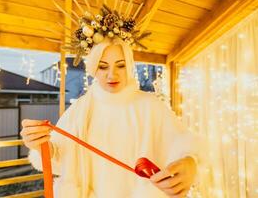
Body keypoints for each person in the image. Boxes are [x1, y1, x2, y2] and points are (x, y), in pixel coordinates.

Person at [21, 37, 203, 198]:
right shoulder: (79, 109)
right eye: (103, 66)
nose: (112, 74)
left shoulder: (151, 105)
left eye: (121, 65)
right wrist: (40, 144)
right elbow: (59, 158)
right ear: (94, 69)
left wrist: (190, 164)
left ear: (129, 66)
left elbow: (185, 147)